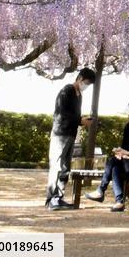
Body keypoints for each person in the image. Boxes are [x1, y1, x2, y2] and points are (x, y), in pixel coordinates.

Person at [86, 96, 129, 212]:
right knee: (115, 168)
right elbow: (125, 146)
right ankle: (119, 201)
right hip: (127, 162)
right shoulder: (128, 126)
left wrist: (128, 153)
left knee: (112, 162)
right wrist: (120, 152)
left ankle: (101, 190)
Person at [46, 67, 96, 210]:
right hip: (60, 134)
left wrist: (82, 120)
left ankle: (59, 198)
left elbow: (75, 116)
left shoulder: (79, 95)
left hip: (70, 134)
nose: (86, 86)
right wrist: (81, 120)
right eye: (86, 82)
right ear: (79, 78)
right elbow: (62, 114)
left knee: (65, 168)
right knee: (56, 166)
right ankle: (51, 199)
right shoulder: (66, 91)